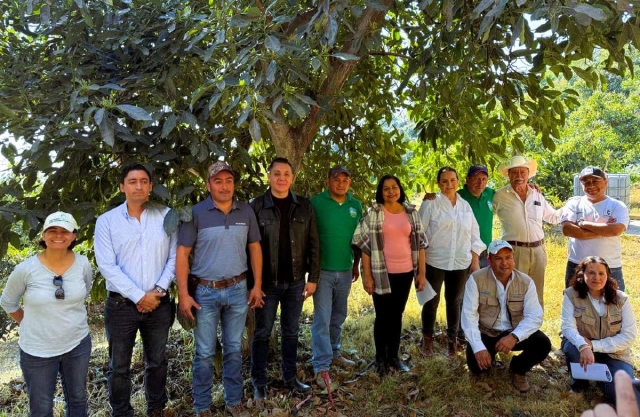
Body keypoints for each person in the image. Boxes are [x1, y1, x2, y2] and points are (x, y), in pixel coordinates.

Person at [176, 162, 264, 417]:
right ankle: (202, 405)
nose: (224, 186)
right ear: (208, 185)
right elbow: (182, 255)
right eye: (218, 181)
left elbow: (255, 248)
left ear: (233, 183)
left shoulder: (245, 211)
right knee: (204, 352)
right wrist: (184, 295)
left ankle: (233, 400)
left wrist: (256, 285)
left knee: (234, 348)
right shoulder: (195, 213)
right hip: (205, 292)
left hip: (238, 289)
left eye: (228, 181)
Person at [95, 164, 177, 417]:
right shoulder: (107, 221)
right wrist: (140, 296)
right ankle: (121, 412)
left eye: (144, 181)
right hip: (120, 306)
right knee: (119, 366)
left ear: (151, 186)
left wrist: (158, 289)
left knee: (157, 362)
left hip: (159, 304)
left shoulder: (167, 216)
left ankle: (156, 409)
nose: (138, 186)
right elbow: (107, 266)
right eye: (132, 181)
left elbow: (174, 257)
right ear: (122, 186)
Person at [0, 212, 92, 417]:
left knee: (77, 400)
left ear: (74, 236)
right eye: (52, 230)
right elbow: (8, 302)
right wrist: (30, 322)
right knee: (41, 408)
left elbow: (84, 292)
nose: (58, 235)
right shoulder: (25, 269)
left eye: (64, 231)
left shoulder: (83, 263)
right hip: (37, 351)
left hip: (77, 345)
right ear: (43, 235)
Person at [250, 157, 320, 399]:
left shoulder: (304, 205)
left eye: (286, 174)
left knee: (291, 331)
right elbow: (249, 247)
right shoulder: (256, 206)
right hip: (267, 283)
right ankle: (258, 381)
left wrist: (313, 278)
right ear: (269, 176)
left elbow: (314, 244)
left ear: (292, 177)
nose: (282, 178)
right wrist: (254, 285)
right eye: (276, 173)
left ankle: (290, 377)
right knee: (262, 332)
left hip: (296, 281)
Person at [352, 175, 427, 377]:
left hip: (405, 273)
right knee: (383, 317)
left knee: (396, 316)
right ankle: (380, 358)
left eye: (394, 187)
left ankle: (393, 356)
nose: (391, 191)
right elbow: (365, 246)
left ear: (400, 189)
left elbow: (420, 245)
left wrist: (421, 273)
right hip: (380, 273)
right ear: (381, 192)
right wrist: (367, 275)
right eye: (386, 188)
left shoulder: (411, 212)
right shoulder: (374, 213)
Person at [461, 240, 551, 393]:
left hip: (513, 332)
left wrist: (514, 336)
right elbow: (468, 316)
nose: (504, 263)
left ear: (513, 259)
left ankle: (518, 369)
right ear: (489, 260)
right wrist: (478, 347)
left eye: (508, 257)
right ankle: (488, 357)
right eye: (498, 258)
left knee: (543, 344)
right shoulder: (476, 280)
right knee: (477, 368)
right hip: (487, 332)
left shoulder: (526, 282)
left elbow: (535, 316)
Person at [419, 167, 485, 357]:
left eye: (452, 180)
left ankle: (452, 341)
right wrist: (419, 265)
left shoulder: (465, 206)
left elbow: (475, 234)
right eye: (444, 181)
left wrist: (474, 260)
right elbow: (419, 235)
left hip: (460, 263)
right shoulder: (430, 204)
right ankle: (427, 340)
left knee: (454, 302)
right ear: (439, 183)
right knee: (431, 301)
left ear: (458, 181)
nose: (449, 185)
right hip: (435, 261)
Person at [561, 256, 639, 409]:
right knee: (572, 347)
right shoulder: (571, 295)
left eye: (601, 273)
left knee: (624, 396)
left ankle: (604, 381)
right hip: (582, 348)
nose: (596, 277)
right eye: (591, 273)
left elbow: (629, 336)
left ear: (608, 275)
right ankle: (580, 385)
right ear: (582, 274)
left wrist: (594, 346)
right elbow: (568, 327)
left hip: (615, 352)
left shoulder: (621, 299)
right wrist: (584, 346)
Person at [310, 165, 363, 388]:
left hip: (345, 269)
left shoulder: (355, 205)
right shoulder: (316, 202)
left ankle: (335, 352)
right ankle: (321, 366)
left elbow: (358, 239)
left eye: (345, 180)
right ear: (328, 181)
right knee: (322, 316)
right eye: (336, 179)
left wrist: (356, 265)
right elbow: (309, 237)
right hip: (322, 271)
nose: (341, 184)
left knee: (339, 314)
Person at [492, 155, 561, 306]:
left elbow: (553, 216)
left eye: (522, 172)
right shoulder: (499, 196)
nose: (519, 176)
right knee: (515, 293)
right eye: (514, 172)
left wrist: (575, 206)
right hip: (514, 251)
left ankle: (534, 328)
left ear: (528, 174)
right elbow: (483, 211)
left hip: (538, 251)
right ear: (508, 175)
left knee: (536, 294)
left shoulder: (536, 195)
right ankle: (513, 328)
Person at [561, 167, 629, 289]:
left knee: (613, 305)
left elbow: (616, 230)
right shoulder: (574, 204)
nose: (590, 185)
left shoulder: (617, 206)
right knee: (576, 305)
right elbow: (567, 230)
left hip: (609, 266)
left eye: (595, 181)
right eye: (586, 182)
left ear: (605, 182)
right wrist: (604, 230)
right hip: (577, 265)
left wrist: (584, 224)